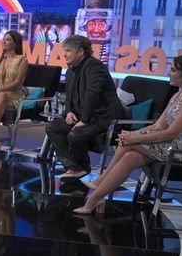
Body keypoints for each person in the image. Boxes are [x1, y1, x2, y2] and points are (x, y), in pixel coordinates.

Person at [75, 53, 182, 214]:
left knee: (129, 143)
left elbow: (169, 133)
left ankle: (98, 185)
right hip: (174, 140)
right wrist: (132, 134)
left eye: (173, 70)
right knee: (130, 156)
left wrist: (134, 138)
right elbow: (158, 125)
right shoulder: (178, 94)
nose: (169, 73)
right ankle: (96, 198)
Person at [45, 35, 123, 179]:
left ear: (80, 52)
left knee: (75, 135)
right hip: (83, 116)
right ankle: (72, 166)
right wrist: (69, 112)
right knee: (52, 127)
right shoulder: (71, 70)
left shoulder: (94, 66)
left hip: (102, 118)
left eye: (68, 50)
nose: (64, 54)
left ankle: (83, 167)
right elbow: (69, 95)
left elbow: (92, 93)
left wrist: (85, 120)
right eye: (65, 50)